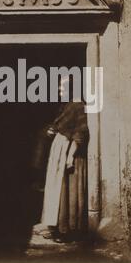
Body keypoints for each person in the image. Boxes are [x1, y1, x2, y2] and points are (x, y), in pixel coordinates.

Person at [40, 78, 89, 243]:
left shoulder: (79, 105)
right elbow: (62, 126)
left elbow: (80, 133)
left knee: (67, 191)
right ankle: (57, 228)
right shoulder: (67, 105)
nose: (60, 90)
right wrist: (52, 131)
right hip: (60, 149)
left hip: (69, 152)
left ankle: (66, 231)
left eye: (63, 87)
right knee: (57, 190)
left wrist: (70, 156)